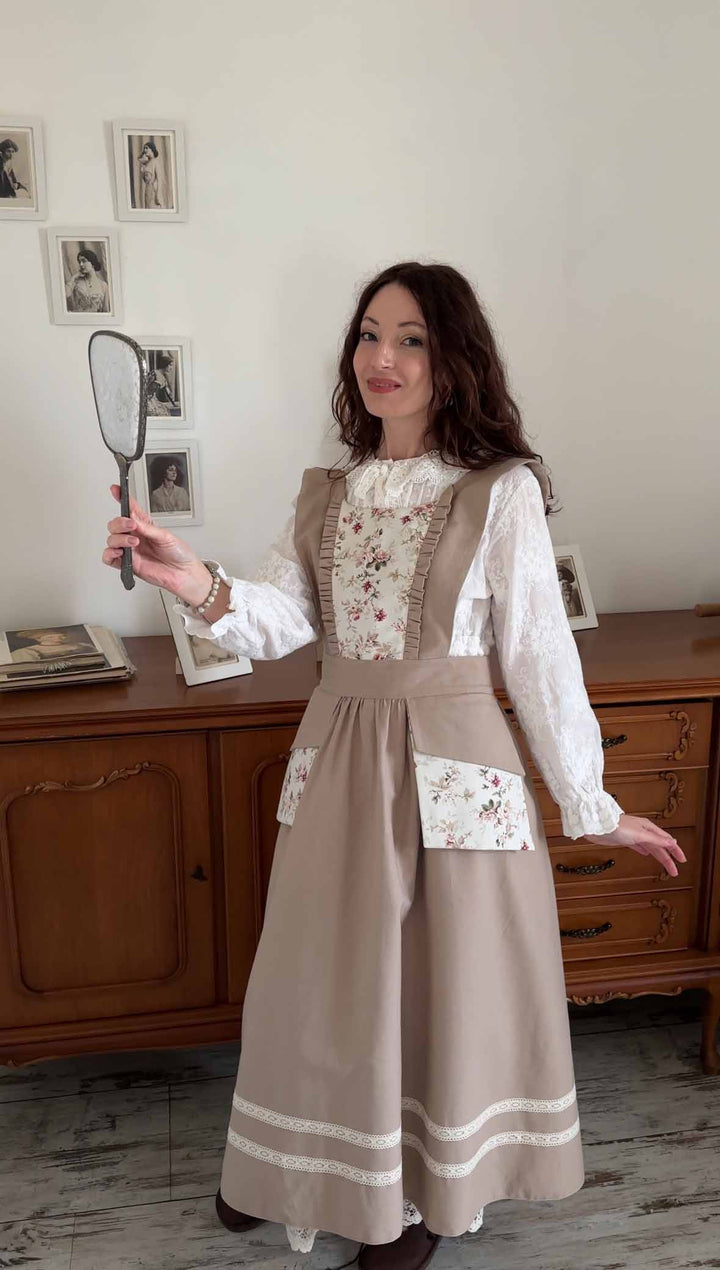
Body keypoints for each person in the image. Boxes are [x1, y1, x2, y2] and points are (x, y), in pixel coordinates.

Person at [102, 261, 686, 1269]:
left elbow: (540, 658)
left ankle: (421, 1197)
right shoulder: (328, 492)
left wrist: (591, 804)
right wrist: (187, 574)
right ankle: (286, 1162)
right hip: (339, 758)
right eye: (371, 334)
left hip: (452, 765)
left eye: (411, 338)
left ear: (452, 357)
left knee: (432, 989)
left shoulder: (495, 494)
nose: (383, 357)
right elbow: (283, 621)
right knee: (316, 978)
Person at [65, 247, 109, 313]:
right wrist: (73, 277)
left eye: (84, 261)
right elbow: (66, 294)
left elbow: (106, 310)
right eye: (79, 262)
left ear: (92, 263)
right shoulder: (76, 282)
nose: (81, 264)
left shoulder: (103, 285)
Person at [136, 139, 163, 209]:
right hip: (147, 190)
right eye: (144, 148)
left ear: (152, 149)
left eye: (146, 148)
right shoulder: (147, 163)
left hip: (153, 190)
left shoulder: (155, 162)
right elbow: (138, 158)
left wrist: (158, 195)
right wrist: (143, 153)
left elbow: (159, 179)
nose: (145, 150)